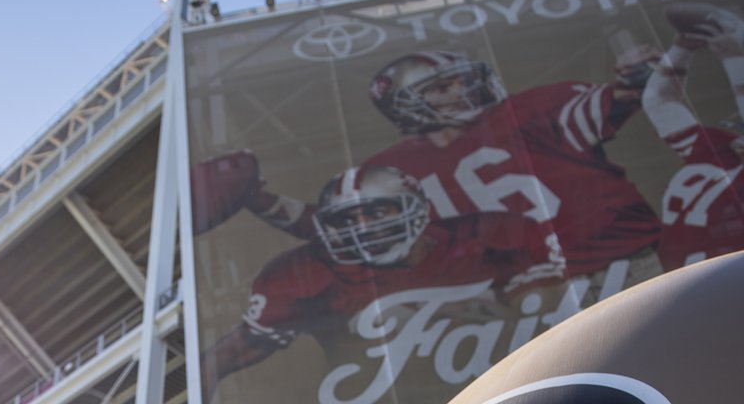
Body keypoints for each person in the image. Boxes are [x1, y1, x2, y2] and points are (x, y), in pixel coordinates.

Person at [201, 165, 565, 404]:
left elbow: (554, 311)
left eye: (376, 213)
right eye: (346, 219)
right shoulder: (304, 275)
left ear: (416, 208)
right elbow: (218, 360)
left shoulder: (492, 237)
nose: (362, 228)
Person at [363, 49, 662, 288]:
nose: (462, 90)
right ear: (403, 106)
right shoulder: (390, 169)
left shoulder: (524, 112)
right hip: (526, 288)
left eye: (463, 80)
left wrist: (634, 77)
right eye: (442, 87)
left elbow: (617, 99)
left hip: (625, 262)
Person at [642, 3, 744, 271]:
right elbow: (658, 101)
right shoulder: (718, 153)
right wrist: (682, 49)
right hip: (699, 286)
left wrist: (736, 56)